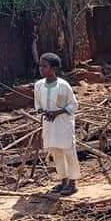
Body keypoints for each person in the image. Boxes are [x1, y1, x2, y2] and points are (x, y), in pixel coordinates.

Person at [34, 53, 80, 195]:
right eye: (40, 66)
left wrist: (57, 112)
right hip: (49, 124)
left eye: (45, 66)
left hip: (63, 123)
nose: (41, 69)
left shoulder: (63, 85)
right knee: (56, 152)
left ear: (54, 68)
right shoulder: (38, 85)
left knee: (68, 151)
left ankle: (73, 182)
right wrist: (44, 111)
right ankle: (63, 180)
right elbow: (38, 105)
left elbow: (74, 105)